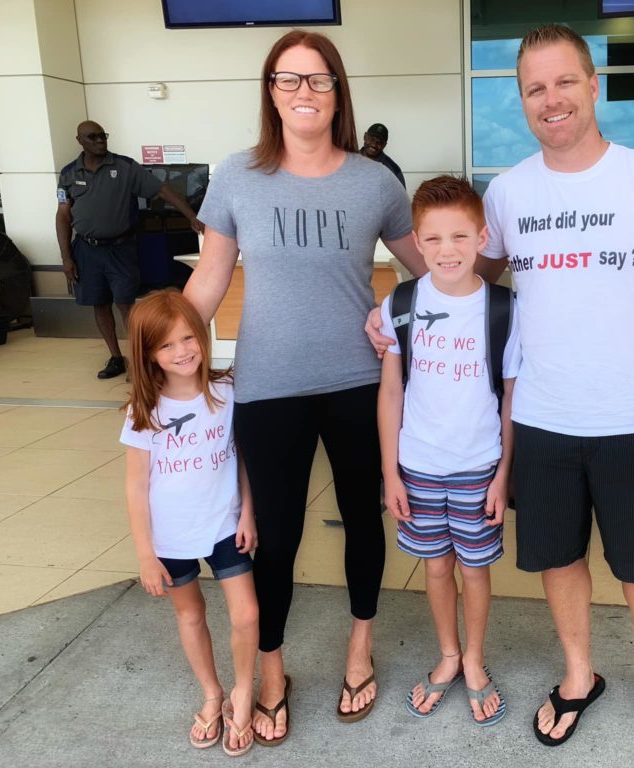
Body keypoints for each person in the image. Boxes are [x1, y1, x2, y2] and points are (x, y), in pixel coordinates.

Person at [184, 29, 429, 743]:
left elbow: (429, 273)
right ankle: (271, 666)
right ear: (271, 93)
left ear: (338, 92)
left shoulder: (375, 182)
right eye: (289, 80)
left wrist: (415, 319)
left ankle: (360, 646)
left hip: (359, 382)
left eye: (318, 80)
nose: (304, 93)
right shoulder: (236, 176)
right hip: (267, 386)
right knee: (276, 536)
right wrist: (159, 346)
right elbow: (209, 279)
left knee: (363, 517)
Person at [470, 23, 634, 754]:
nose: (552, 99)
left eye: (565, 81)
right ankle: (579, 675)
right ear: (522, 101)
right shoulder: (506, 194)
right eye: (535, 88)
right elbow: (466, 283)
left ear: (593, 85)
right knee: (559, 556)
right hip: (541, 419)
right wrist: (398, 316)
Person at [377, 175, 519, 725]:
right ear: (415, 240)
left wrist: (503, 473)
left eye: (460, 237)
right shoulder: (402, 302)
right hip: (417, 467)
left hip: (478, 466)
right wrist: (390, 473)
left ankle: (477, 659)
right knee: (436, 568)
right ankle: (449, 655)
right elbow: (392, 390)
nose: (447, 251)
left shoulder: (503, 309)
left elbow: (510, 398)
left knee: (476, 570)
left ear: (482, 237)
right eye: (433, 240)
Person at [121, 289, 258, 757]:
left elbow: (243, 459)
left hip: (225, 526)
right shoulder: (143, 414)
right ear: (148, 355)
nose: (181, 351)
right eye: (165, 345)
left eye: (187, 338)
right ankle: (211, 693)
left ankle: (242, 690)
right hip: (171, 538)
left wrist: (249, 511)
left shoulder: (228, 391)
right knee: (190, 613)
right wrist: (145, 554)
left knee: (247, 614)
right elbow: (136, 488)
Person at [56, 121, 204, 379]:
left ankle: (140, 361)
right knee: (99, 304)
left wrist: (191, 216)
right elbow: (62, 216)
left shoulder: (124, 167)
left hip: (120, 249)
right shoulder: (69, 174)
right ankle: (116, 357)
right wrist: (66, 257)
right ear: (80, 140)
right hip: (86, 250)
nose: (100, 141)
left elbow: (163, 190)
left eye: (103, 136)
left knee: (127, 305)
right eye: (93, 137)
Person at [360, 122, 406, 187]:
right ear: (365, 136)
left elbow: (401, 196)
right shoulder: (349, 161)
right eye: (371, 139)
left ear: (384, 145)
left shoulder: (393, 170)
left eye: (379, 142)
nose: (374, 145)